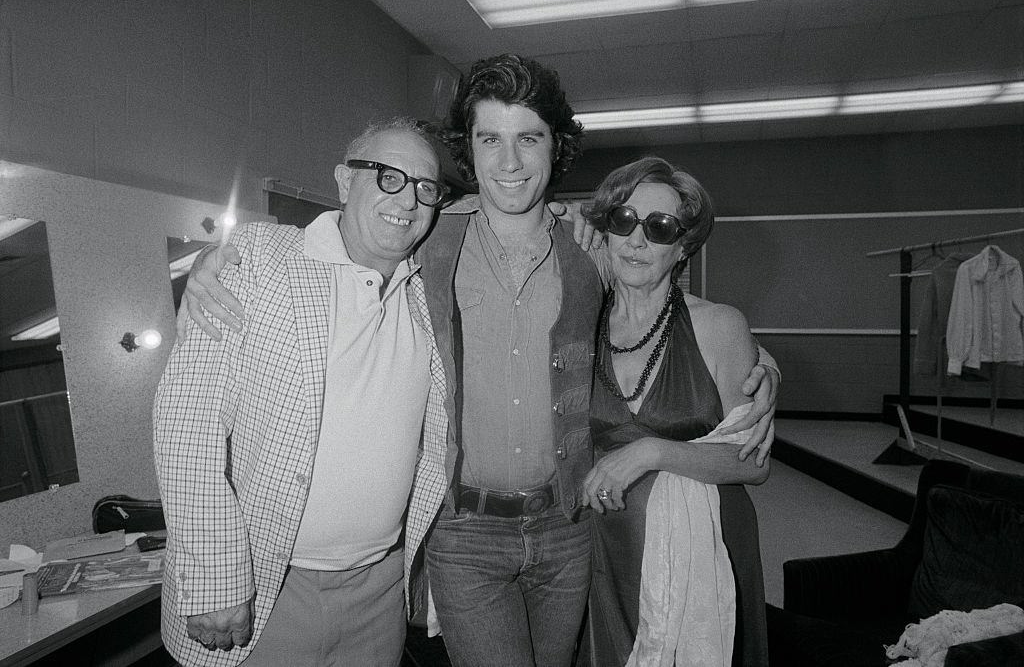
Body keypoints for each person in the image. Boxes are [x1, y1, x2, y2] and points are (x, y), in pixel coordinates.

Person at [177, 54, 779, 667]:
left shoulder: (587, 250)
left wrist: (758, 365)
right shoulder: (429, 238)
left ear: (556, 147)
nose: (509, 162)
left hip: (568, 532)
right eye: (489, 139)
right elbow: (351, 231)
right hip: (465, 535)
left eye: (529, 139)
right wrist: (225, 255)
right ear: (469, 149)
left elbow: (658, 307)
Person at [153, 117, 451, 667]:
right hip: (265, 586)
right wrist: (217, 577)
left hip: (381, 592)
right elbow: (187, 422)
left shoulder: (427, 293)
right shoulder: (259, 259)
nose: (407, 199)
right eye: (388, 176)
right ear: (344, 182)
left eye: (425, 188)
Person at [579, 157, 770, 666]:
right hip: (607, 551)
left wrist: (651, 452)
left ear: (683, 245)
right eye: (624, 220)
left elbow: (752, 462)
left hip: (706, 553)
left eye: (659, 227)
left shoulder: (718, 326)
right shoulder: (579, 324)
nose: (637, 240)